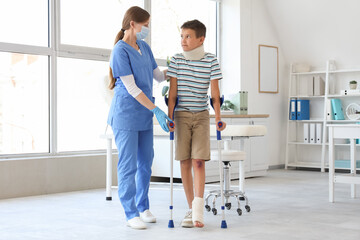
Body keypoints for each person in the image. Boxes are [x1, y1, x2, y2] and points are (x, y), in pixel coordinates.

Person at [107, 6, 172, 230]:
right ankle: (130, 212)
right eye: (145, 25)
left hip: (144, 114)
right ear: (133, 23)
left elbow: (157, 76)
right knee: (128, 166)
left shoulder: (144, 47)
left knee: (145, 163)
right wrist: (156, 110)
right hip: (126, 115)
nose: (147, 29)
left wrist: (173, 69)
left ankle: (143, 206)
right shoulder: (120, 51)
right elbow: (133, 89)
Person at [166, 19, 226, 228]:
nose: (183, 40)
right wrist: (169, 116)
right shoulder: (176, 60)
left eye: (188, 36)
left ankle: (198, 212)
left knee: (198, 161)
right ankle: (191, 209)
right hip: (181, 115)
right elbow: (172, 94)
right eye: (182, 36)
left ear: (201, 39)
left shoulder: (211, 60)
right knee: (184, 161)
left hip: (201, 115)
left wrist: (218, 117)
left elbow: (215, 94)